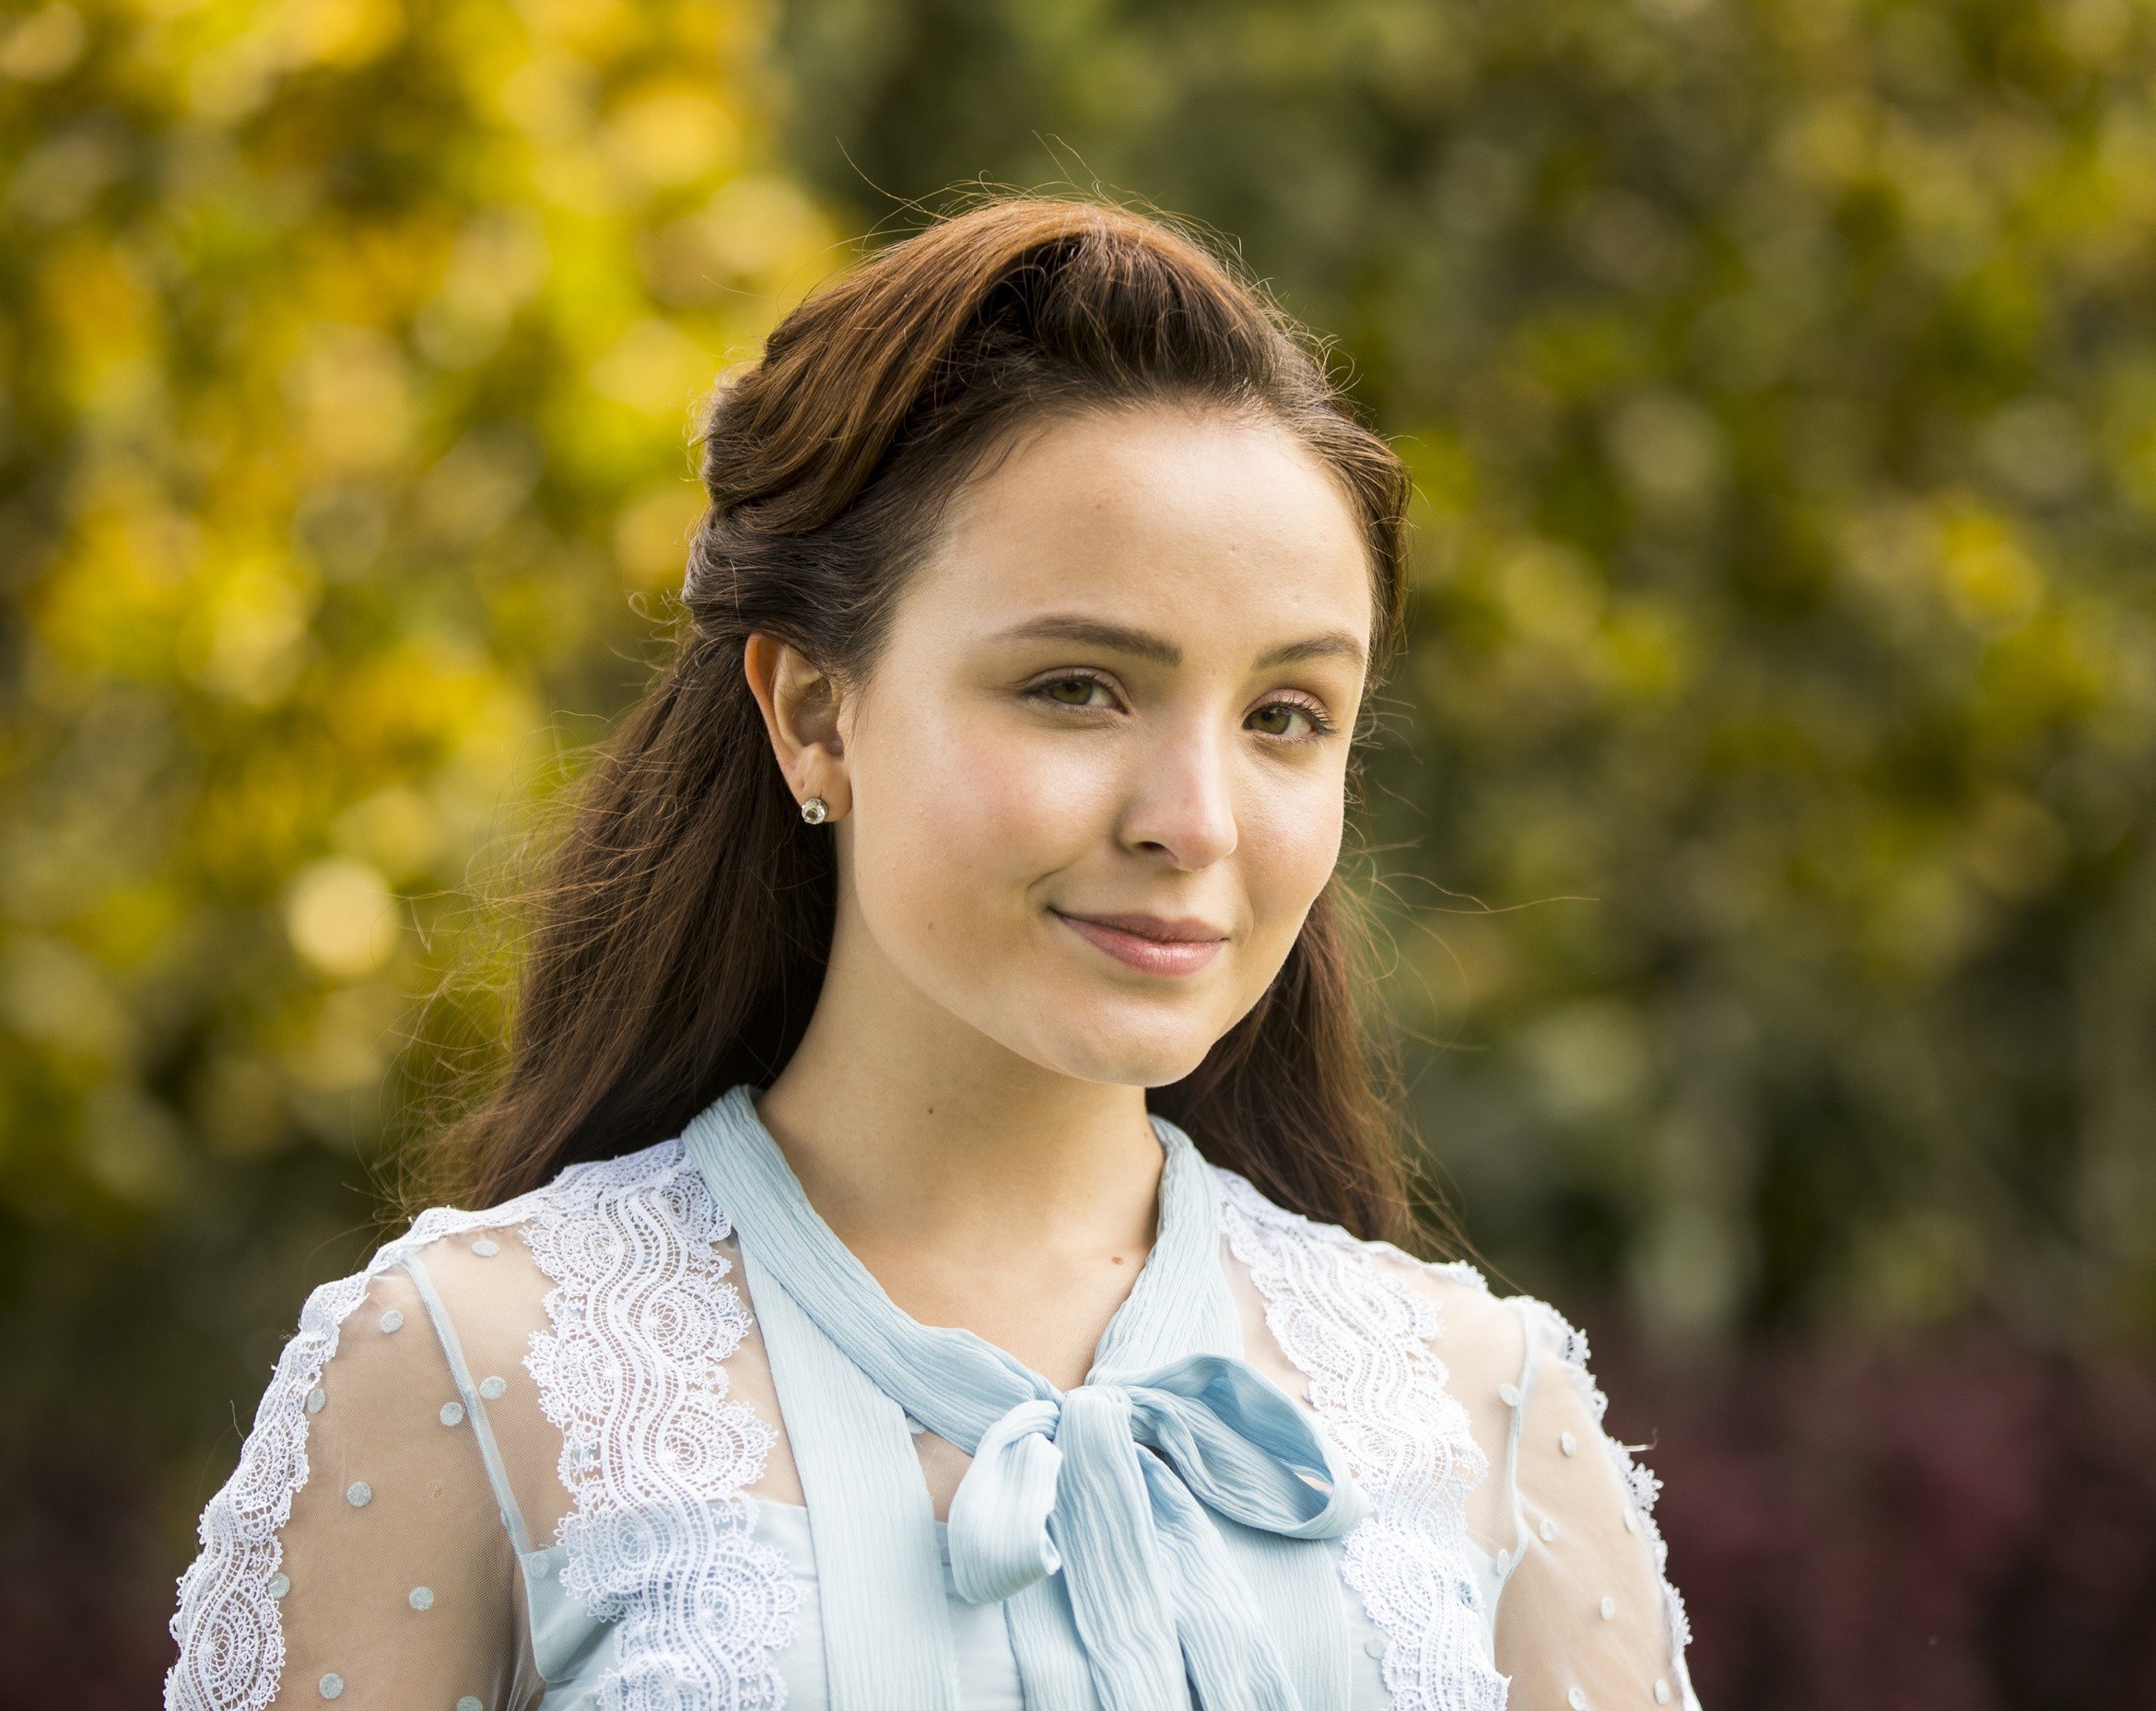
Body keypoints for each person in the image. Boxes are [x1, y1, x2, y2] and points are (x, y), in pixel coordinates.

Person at [166, 199, 1694, 1711]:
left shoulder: (1483, 1408)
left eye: (1284, 715)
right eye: (1079, 687)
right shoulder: (478, 1366)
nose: (1196, 820)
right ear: (813, 710)